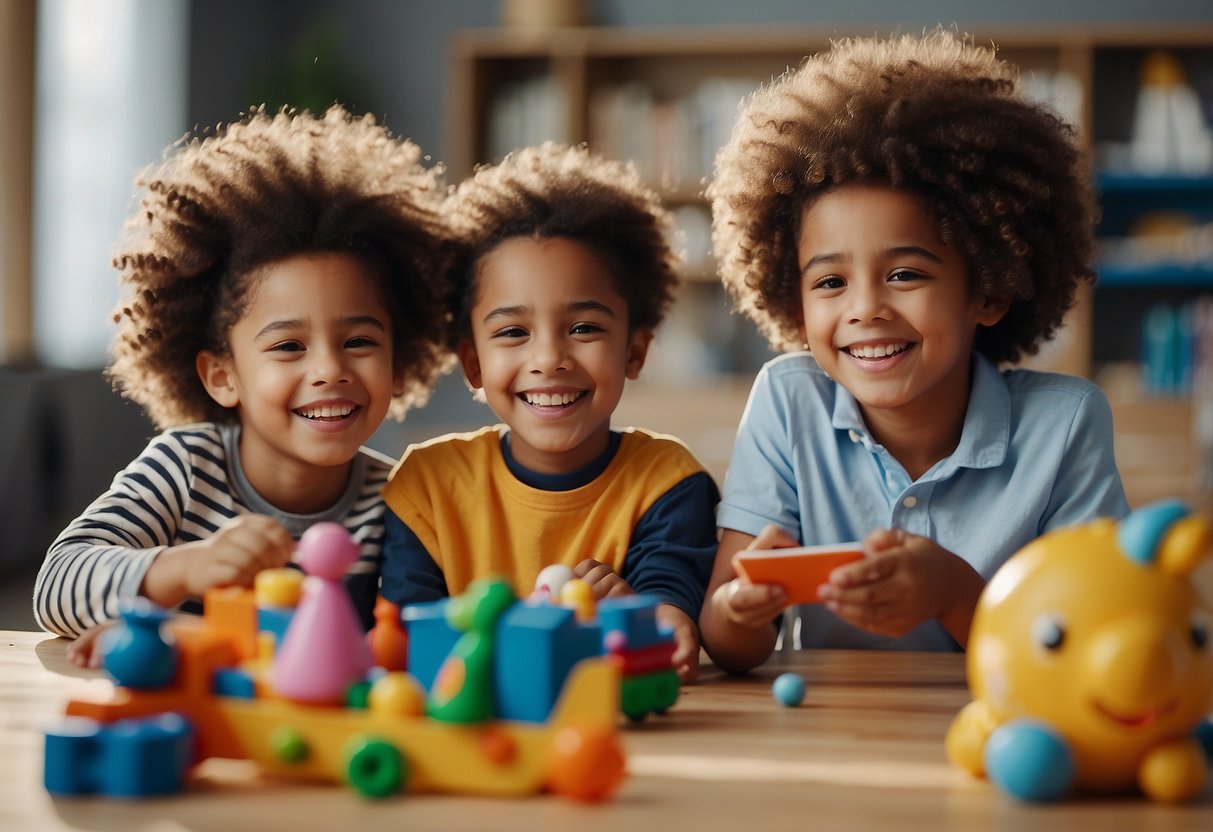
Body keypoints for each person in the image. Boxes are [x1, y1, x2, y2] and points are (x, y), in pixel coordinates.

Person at [698, 31, 1130, 673]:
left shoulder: (1065, 427)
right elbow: (727, 638)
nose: (865, 309)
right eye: (830, 282)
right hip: (837, 736)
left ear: (988, 291)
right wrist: (739, 611)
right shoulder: (788, 402)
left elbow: (1090, 647)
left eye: (905, 274)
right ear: (795, 302)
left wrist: (953, 592)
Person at [33, 106, 453, 664]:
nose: (329, 370)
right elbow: (56, 586)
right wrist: (188, 567)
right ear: (222, 376)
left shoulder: (401, 500)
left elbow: (414, 647)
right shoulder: (186, 468)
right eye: (288, 347)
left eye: (358, 342)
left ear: (397, 365)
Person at [379, 142, 719, 682]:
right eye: (513, 333)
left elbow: (671, 630)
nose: (549, 360)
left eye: (584, 329)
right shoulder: (426, 487)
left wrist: (641, 620)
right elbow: (407, 646)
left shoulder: (668, 483)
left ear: (634, 351)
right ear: (472, 364)